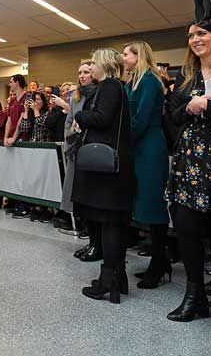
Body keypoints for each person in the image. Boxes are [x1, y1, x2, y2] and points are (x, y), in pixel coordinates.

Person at [165, 19, 211, 346]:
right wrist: (190, 106)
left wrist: (210, 105)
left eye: (201, 33)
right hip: (191, 162)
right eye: (190, 35)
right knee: (187, 229)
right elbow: (172, 116)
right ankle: (195, 297)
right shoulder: (185, 77)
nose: (194, 39)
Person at [72, 48, 134, 304]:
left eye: (95, 63)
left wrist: (79, 114)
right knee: (114, 224)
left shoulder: (109, 86)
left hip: (107, 172)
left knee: (109, 225)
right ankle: (117, 277)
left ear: (105, 65)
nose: (92, 67)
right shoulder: (117, 87)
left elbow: (101, 118)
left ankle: (108, 280)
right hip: (114, 168)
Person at [122, 41, 171, 289]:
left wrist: (122, 139)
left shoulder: (150, 80)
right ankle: (159, 260)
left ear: (138, 56)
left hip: (149, 147)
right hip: (138, 147)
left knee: (153, 203)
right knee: (144, 202)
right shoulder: (133, 81)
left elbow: (140, 119)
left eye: (126, 53)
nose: (123, 57)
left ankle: (160, 262)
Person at [63, 62, 102, 262]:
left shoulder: (100, 94)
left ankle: (98, 244)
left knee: (93, 201)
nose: (82, 75)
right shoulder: (75, 96)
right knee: (80, 201)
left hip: (93, 153)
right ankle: (92, 241)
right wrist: (73, 131)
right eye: (79, 72)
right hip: (76, 152)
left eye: (86, 72)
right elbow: (68, 124)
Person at [3, 74, 31, 218]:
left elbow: (22, 118)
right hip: (12, 142)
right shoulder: (13, 101)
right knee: (14, 174)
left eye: (11, 82)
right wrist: (5, 137)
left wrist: (14, 137)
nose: (9, 84)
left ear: (18, 83)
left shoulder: (27, 98)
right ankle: (15, 202)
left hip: (23, 141)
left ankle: (25, 206)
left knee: (23, 175)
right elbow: (9, 119)